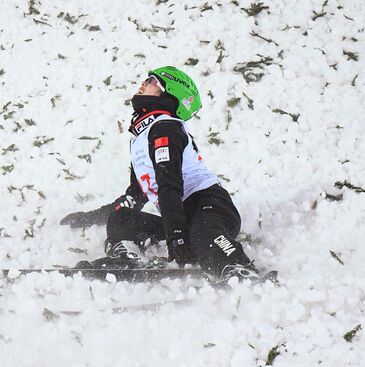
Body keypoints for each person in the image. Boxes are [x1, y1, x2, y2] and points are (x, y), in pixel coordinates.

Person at [61, 66, 260, 282]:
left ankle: (238, 267)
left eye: (153, 80)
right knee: (120, 217)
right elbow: (135, 196)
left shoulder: (166, 128)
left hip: (210, 206)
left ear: (169, 93)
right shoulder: (142, 136)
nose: (144, 82)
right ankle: (129, 258)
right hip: (178, 215)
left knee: (204, 234)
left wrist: (176, 237)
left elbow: (169, 184)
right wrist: (92, 217)